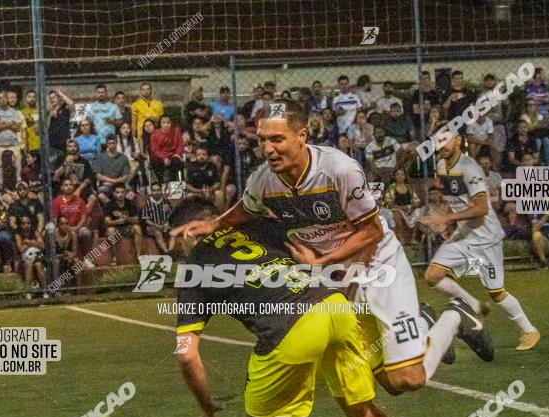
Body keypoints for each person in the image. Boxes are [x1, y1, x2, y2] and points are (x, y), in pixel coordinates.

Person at [173, 99, 494, 401]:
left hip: (380, 266)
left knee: (409, 378)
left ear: (302, 135)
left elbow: (372, 231)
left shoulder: (339, 169)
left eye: (277, 139)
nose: (268, 149)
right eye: (262, 140)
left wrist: (322, 260)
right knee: (389, 385)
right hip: (339, 274)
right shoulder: (263, 180)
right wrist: (215, 224)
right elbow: (247, 208)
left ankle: (454, 315)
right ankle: (422, 321)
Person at [170, 196, 456, 417]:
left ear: (190, 234)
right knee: (365, 410)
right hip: (335, 308)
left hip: (291, 330)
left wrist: (206, 405)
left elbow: (187, 354)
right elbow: (315, 252)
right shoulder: (259, 227)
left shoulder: (194, 267)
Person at [422, 122, 539, 351]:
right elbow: (456, 200)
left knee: (496, 293)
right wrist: (443, 218)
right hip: (465, 232)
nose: (442, 145)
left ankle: (529, 330)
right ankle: (473, 305)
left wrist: (446, 220)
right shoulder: (442, 166)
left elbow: (482, 209)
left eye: (446, 140)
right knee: (432, 275)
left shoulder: (470, 167)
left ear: (458, 141)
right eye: (438, 141)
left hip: (486, 236)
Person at [104, 184, 144, 262]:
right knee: (110, 230)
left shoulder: (130, 203)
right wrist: (116, 222)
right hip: (116, 229)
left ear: (125, 193)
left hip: (127, 228)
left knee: (137, 228)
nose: (120, 194)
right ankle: (114, 257)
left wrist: (126, 218)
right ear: (114, 193)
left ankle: (139, 256)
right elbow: (107, 221)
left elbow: (136, 219)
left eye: (122, 192)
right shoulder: (109, 205)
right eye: (118, 192)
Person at [0, 90, 24, 171]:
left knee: (17, 169)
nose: (2, 99)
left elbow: (17, 128)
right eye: (0, 98)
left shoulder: (15, 112)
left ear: (7, 98)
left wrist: (1, 123)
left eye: (4, 97)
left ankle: (17, 183)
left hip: (13, 145)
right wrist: (10, 124)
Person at [14, 216, 46, 296]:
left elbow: (42, 246)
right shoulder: (18, 235)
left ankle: (45, 291)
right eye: (23, 223)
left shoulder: (35, 232)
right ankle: (28, 292)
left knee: (38, 265)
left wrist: (28, 242)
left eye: (28, 223)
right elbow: (20, 250)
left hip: (36, 258)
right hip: (23, 260)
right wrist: (34, 243)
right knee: (29, 264)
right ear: (20, 225)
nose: (26, 225)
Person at [93, 134, 131, 202]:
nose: (112, 145)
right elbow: (98, 175)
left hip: (120, 185)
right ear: (106, 144)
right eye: (109, 143)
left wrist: (115, 182)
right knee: (100, 193)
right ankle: (111, 207)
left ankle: (124, 208)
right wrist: (113, 181)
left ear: (117, 143)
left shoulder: (124, 158)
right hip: (105, 186)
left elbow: (125, 176)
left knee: (131, 192)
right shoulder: (100, 157)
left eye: (113, 143)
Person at [150, 116, 185, 183]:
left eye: (168, 122)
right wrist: (164, 158)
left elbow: (180, 145)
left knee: (176, 162)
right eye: (164, 123)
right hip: (161, 156)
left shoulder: (176, 131)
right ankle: (161, 183)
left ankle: (173, 183)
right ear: (160, 124)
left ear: (171, 123)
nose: (166, 124)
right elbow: (155, 150)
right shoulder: (155, 134)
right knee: (154, 161)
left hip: (173, 155)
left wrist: (176, 155)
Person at [141, 183, 174, 254]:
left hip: (165, 225)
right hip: (152, 226)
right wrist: (157, 225)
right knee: (157, 232)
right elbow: (146, 220)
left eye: (158, 190)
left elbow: (171, 216)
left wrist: (166, 224)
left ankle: (171, 252)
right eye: (154, 190)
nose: (156, 192)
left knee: (174, 231)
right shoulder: (147, 203)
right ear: (151, 191)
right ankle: (167, 252)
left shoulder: (166, 201)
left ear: (161, 190)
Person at [47, 88, 74, 159]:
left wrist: (60, 93)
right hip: (52, 142)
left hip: (64, 141)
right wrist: (50, 117)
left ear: (59, 98)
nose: (52, 99)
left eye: (54, 97)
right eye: (50, 98)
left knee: (66, 162)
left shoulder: (65, 108)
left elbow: (71, 103)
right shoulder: (48, 113)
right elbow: (45, 128)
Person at [20, 90, 41, 154]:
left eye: (34, 97)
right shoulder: (22, 113)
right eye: (29, 97)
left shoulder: (40, 111)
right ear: (26, 99)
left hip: (40, 145)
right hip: (28, 145)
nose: (32, 99)